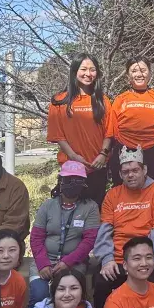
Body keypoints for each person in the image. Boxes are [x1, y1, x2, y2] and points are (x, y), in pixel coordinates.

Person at [92, 146, 154, 308]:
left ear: (144, 170)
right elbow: (104, 232)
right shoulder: (113, 195)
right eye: (126, 171)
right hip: (118, 259)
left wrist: (142, 261)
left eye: (135, 170)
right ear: (120, 174)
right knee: (100, 285)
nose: (131, 174)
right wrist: (107, 259)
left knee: (147, 290)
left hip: (148, 259)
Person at [27, 161, 100, 308]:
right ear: (60, 181)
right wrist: (43, 264)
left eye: (77, 180)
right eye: (68, 179)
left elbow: (89, 241)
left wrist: (68, 262)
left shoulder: (90, 207)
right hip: (44, 262)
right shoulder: (48, 205)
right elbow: (36, 237)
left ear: (84, 183)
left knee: (69, 297)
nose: (72, 183)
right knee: (39, 295)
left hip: (75, 263)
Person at [47, 52, 113, 206]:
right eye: (83, 69)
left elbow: (109, 131)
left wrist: (103, 154)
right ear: (75, 71)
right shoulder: (59, 101)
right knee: (70, 212)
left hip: (97, 167)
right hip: (71, 168)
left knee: (95, 213)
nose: (88, 74)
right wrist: (73, 156)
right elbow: (58, 135)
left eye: (92, 69)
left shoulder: (103, 100)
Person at [111, 57, 154, 185]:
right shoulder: (120, 100)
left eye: (143, 70)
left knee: (151, 194)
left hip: (150, 154)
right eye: (134, 71)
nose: (139, 74)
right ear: (128, 75)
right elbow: (113, 132)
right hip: (124, 152)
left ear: (149, 73)